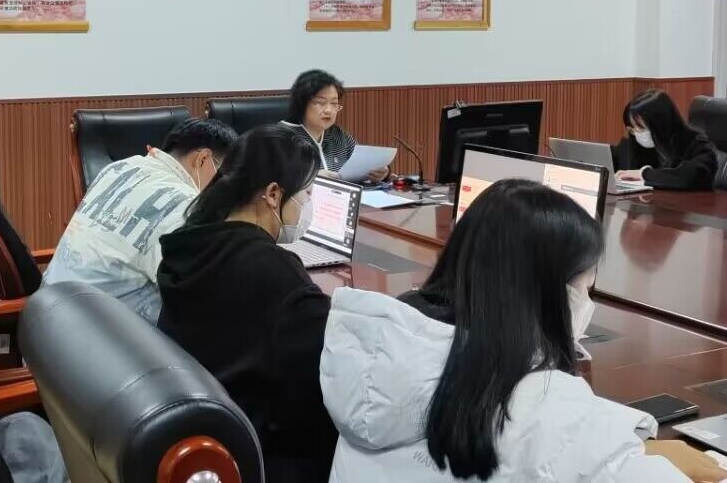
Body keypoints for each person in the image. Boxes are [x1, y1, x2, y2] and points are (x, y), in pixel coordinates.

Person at [320, 179, 724, 482]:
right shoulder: (549, 409)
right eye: (586, 283)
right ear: (549, 293)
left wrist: (617, 435)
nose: (587, 298)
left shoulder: (381, 360)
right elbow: (552, 429)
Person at [157, 124, 337, 482]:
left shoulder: (187, 245)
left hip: (208, 427)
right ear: (273, 194)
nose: (308, 208)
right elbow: (328, 367)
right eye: (307, 194)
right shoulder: (272, 271)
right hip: (259, 450)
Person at [42, 117, 236, 323]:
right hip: (95, 335)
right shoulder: (184, 204)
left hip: (47, 320)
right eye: (226, 178)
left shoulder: (118, 168)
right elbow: (203, 294)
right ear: (203, 159)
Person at [282, 69, 389, 181]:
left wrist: (381, 173)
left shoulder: (339, 135)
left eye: (334, 103)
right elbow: (274, 180)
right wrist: (310, 177)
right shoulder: (280, 138)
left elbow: (363, 163)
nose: (329, 110)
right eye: (320, 103)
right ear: (302, 104)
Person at [613, 89, 718, 191]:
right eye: (634, 129)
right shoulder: (649, 146)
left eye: (641, 128)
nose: (638, 133)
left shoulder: (698, 144)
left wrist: (643, 174)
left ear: (660, 124)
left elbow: (689, 177)